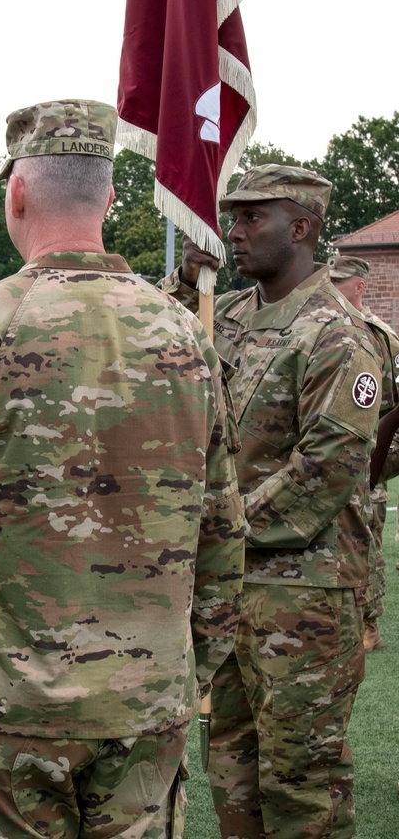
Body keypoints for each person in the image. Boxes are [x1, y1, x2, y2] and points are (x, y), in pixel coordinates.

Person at [0, 99, 245, 839]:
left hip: (14, 709)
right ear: (110, 198)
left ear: (16, 191)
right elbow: (222, 525)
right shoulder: (183, 333)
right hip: (147, 702)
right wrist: (192, 672)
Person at [164, 165, 387, 837]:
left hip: (306, 599)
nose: (233, 232)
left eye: (252, 218)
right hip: (231, 593)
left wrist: (215, 528)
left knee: (299, 788)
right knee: (231, 775)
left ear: (303, 228)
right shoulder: (223, 315)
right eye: (231, 218)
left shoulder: (337, 336)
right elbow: (147, 351)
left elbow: (326, 473)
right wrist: (182, 284)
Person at [329, 255, 399, 652]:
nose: (330, 287)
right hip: (330, 458)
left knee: (366, 541)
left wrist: (379, 467)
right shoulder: (322, 328)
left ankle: (369, 624)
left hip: (368, 458)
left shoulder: (382, 337)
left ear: (359, 286)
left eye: (339, 282)